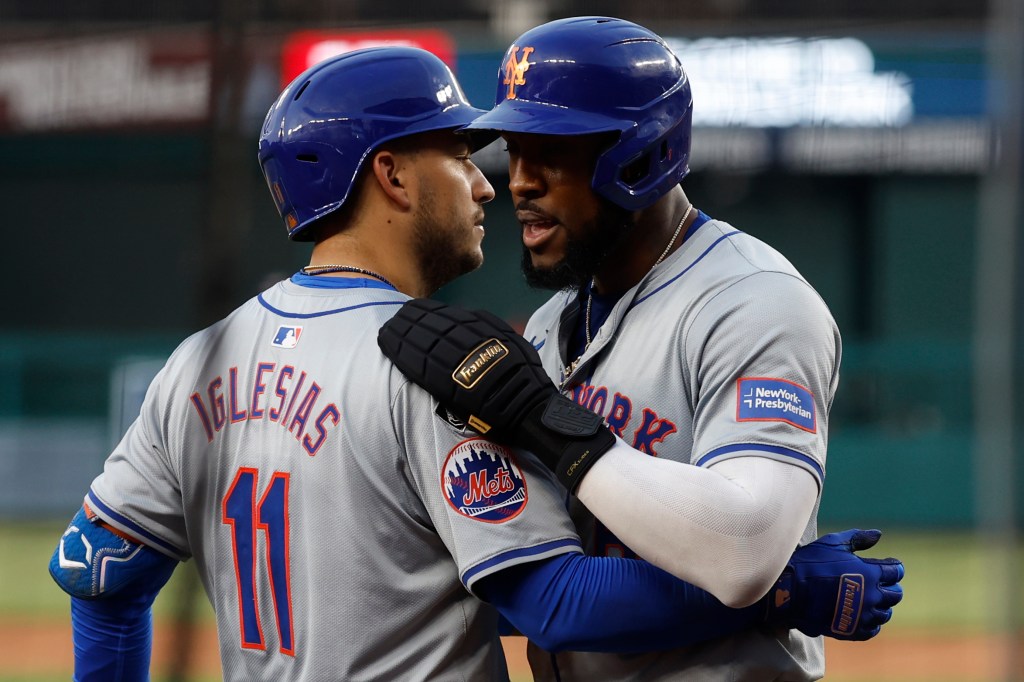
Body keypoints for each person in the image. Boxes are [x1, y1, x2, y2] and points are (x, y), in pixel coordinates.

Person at [48, 47, 901, 682]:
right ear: (390, 174)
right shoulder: (436, 367)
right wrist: (784, 590)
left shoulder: (198, 360)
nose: (493, 183)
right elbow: (549, 601)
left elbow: (100, 569)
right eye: (462, 155)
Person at [378, 16, 889, 681]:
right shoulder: (550, 323)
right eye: (512, 149)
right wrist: (791, 590)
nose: (519, 181)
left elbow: (745, 552)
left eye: (549, 151)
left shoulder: (755, 301)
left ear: (640, 155)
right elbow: (536, 582)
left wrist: (544, 421)